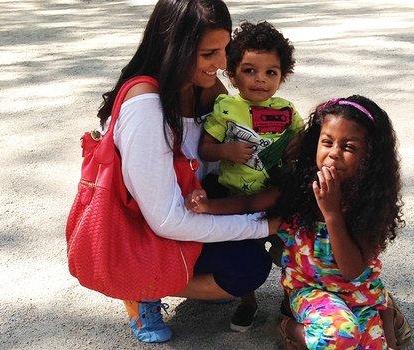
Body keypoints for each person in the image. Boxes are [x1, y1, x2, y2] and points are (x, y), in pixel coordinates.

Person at [96, 0, 280, 344]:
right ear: (174, 47)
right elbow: (166, 219)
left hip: (196, 202)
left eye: (225, 50)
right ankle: (139, 284)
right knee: (249, 266)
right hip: (148, 227)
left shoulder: (206, 88)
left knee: (266, 236)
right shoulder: (146, 107)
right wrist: (262, 224)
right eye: (209, 53)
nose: (223, 64)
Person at [187, 20, 304, 332]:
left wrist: (296, 146)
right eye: (249, 70)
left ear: (282, 76)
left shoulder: (288, 111)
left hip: (276, 198)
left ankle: (292, 296)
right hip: (233, 199)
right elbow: (205, 148)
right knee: (244, 251)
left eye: (271, 73)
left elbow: (303, 143)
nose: (260, 80)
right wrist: (226, 152)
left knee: (289, 250)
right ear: (232, 73)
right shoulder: (225, 108)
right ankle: (247, 301)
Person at [268, 95, 410, 349]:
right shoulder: (298, 189)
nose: (334, 153)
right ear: (315, 144)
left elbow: (353, 271)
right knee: (339, 338)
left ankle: (384, 309)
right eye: (327, 142)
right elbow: (248, 204)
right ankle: (289, 327)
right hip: (310, 290)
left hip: (357, 290)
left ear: (369, 156)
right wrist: (205, 205)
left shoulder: (372, 202)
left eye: (349, 147)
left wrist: (332, 213)